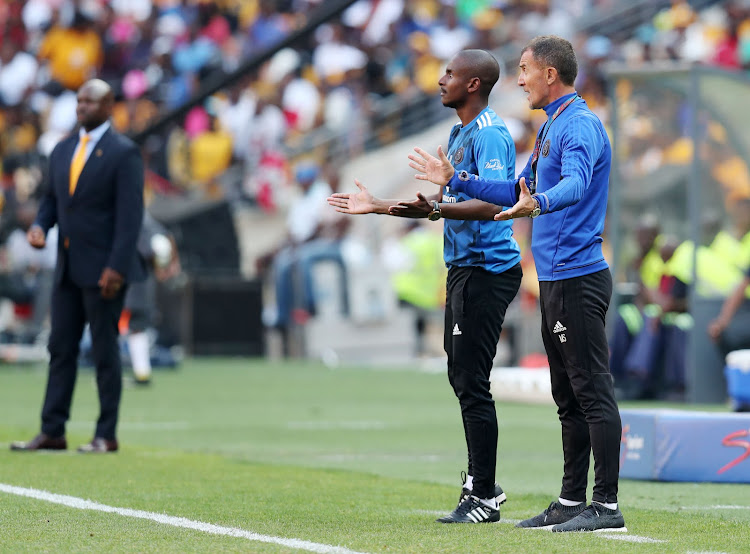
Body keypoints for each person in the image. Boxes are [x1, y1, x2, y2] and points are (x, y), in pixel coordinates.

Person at [409, 36, 626, 532]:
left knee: (592, 390)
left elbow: (571, 184)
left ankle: (606, 504)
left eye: (525, 69)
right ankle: (572, 501)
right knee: (567, 395)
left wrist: (540, 204)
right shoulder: (551, 125)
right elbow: (515, 189)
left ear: (551, 74)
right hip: (552, 278)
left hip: (578, 275)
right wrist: (456, 178)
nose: (520, 78)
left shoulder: (581, 125)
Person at [328, 49, 521, 524]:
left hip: (488, 268)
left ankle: (484, 493)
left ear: (473, 84)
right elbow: (442, 200)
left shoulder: (492, 133)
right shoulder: (459, 134)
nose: (441, 79)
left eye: (451, 74)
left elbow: (494, 204)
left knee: (472, 380)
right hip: (463, 268)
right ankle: (483, 486)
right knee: (461, 376)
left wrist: (436, 208)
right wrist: (378, 206)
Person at [10, 79, 145, 454]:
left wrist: (117, 266)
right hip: (68, 265)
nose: (81, 107)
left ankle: (106, 433)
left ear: (109, 106)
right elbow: (53, 201)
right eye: (79, 101)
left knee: (104, 350)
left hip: (105, 269)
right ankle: (53, 430)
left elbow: (130, 216)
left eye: (90, 101)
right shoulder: (63, 148)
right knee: (60, 347)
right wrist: (40, 226)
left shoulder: (123, 152)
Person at [124, 211, 181, 385]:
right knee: (134, 325)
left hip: (135, 280)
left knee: (136, 324)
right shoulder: (143, 217)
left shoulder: (136, 216)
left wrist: (165, 266)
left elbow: (153, 246)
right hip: (136, 279)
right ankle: (140, 372)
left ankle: (141, 373)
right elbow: (165, 237)